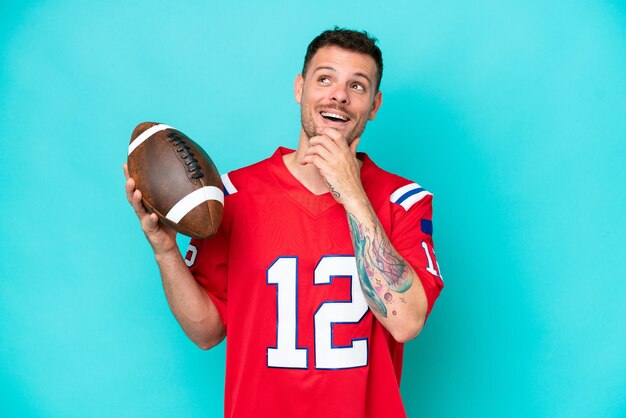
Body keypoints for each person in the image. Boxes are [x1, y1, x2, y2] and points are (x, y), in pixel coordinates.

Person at [125, 28, 444, 418]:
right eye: (324, 79)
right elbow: (206, 332)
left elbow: (406, 322)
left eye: (356, 86)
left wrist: (353, 196)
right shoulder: (235, 194)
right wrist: (165, 250)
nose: (338, 95)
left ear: (374, 105)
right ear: (299, 88)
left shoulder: (403, 201)